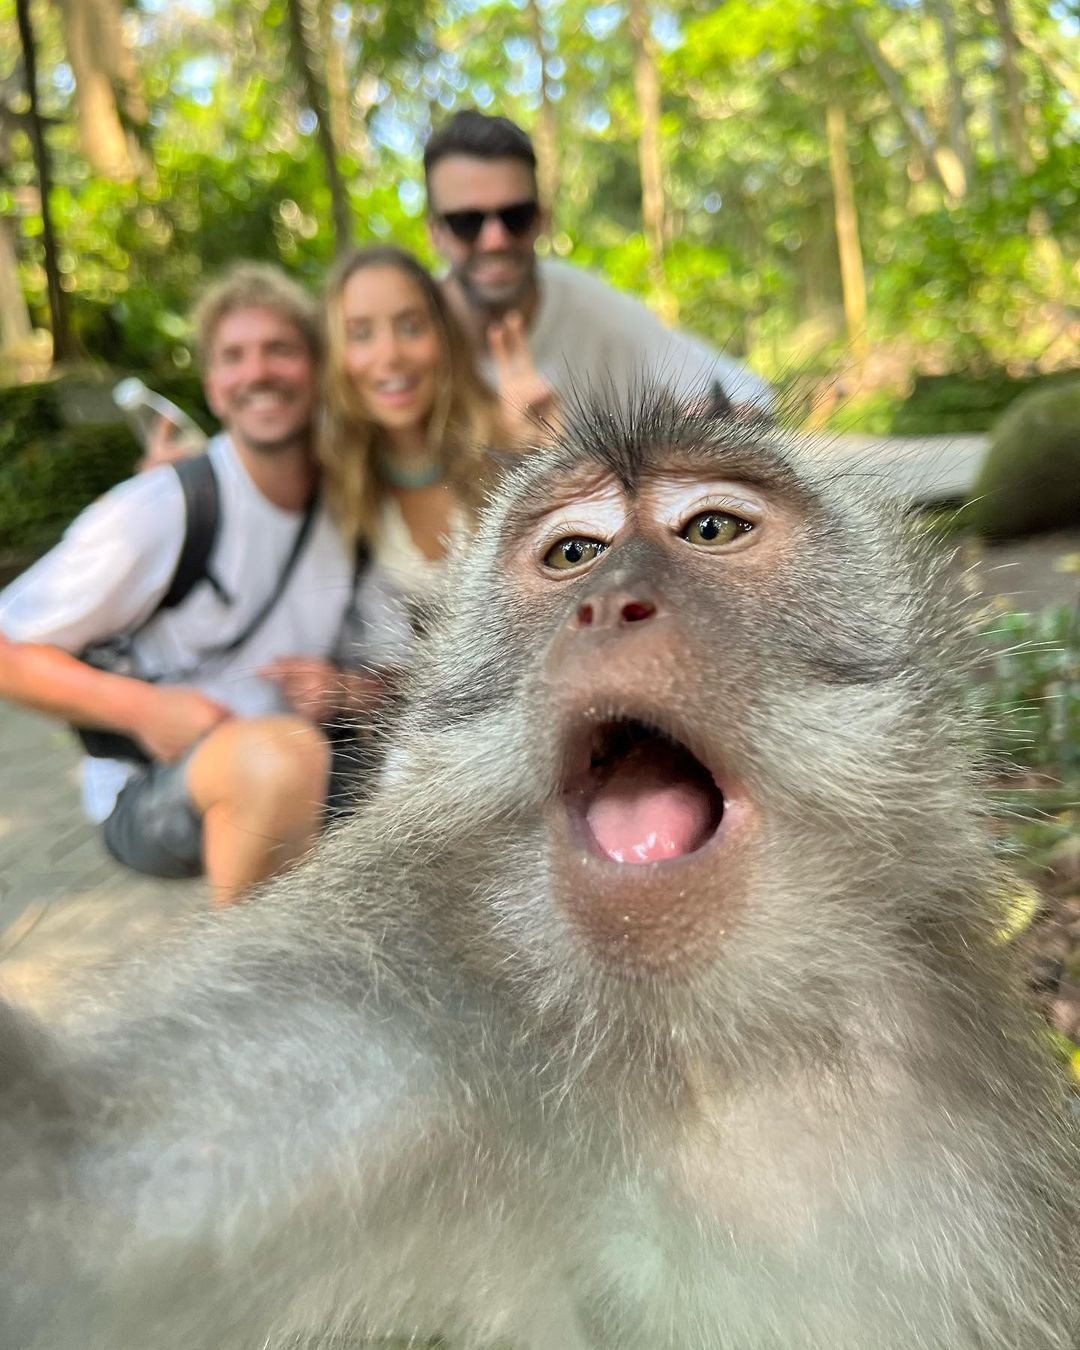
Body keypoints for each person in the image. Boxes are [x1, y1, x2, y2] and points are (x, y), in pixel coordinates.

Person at [0, 264, 376, 907]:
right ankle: (241, 998)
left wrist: (343, 688)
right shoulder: (162, 505)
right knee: (279, 760)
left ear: (317, 370)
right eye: (235, 355)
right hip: (154, 787)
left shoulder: (349, 505)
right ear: (213, 384)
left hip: (309, 755)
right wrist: (142, 711)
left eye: (280, 349)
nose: (258, 371)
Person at [423, 109, 773, 411]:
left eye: (516, 216)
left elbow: (746, 396)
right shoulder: (407, 330)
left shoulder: (592, 310)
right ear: (435, 233)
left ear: (543, 220)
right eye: (466, 223)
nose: (495, 240)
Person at [318, 243, 554, 607]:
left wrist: (549, 460)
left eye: (410, 327)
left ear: (442, 337)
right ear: (336, 354)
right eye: (361, 334)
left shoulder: (505, 441)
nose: (390, 356)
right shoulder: (336, 475)